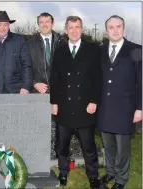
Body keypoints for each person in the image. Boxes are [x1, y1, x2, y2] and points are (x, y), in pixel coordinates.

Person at [50, 16, 102, 189]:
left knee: (89, 147)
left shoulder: (93, 49)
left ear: (82, 29)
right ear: (66, 30)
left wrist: (94, 100)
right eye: (70, 27)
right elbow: (54, 78)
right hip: (64, 107)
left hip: (85, 107)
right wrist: (54, 103)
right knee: (62, 146)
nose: (74, 30)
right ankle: (63, 172)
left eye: (77, 27)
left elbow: (97, 77)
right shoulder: (60, 50)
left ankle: (93, 176)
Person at [97, 15, 142, 189]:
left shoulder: (136, 50)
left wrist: (140, 108)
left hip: (126, 109)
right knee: (108, 145)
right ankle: (110, 172)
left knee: (123, 149)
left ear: (123, 28)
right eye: (111, 27)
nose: (115, 30)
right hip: (105, 108)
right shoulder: (100, 50)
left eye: (118, 26)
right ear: (106, 30)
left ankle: (121, 179)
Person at [27, 12, 66, 158]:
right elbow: (24, 68)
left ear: (53, 23)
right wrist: (35, 83)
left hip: (59, 92)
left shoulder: (63, 42)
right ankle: (40, 154)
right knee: (40, 125)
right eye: (41, 22)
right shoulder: (30, 44)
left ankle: (59, 153)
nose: (44, 24)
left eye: (47, 21)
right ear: (38, 24)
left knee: (60, 126)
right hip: (39, 92)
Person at [0, 11, 32, 94]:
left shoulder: (19, 40)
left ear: (9, 25)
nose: (2, 28)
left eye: (5, 24)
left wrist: (26, 86)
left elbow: (26, 64)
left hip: (16, 90)